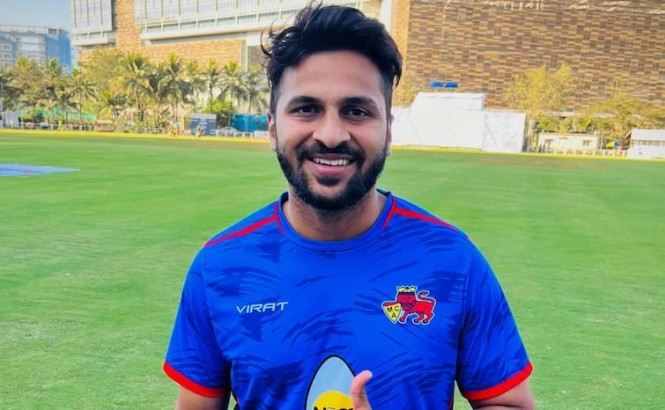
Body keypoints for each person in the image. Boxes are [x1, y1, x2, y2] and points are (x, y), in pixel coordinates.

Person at [163, 3, 534, 409]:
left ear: (388, 131)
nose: (331, 135)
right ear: (272, 128)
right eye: (306, 109)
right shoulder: (220, 266)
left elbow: (509, 403)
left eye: (356, 111)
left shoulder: (453, 259)